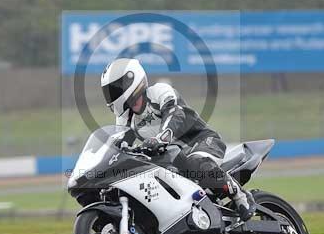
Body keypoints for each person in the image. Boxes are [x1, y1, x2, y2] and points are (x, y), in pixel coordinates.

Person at [100, 57, 256, 220]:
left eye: (115, 89)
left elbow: (175, 113)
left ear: (131, 80)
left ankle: (241, 196)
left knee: (197, 164)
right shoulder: (126, 119)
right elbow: (119, 144)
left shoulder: (159, 91)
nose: (112, 95)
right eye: (109, 91)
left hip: (202, 141)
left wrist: (161, 138)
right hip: (173, 158)